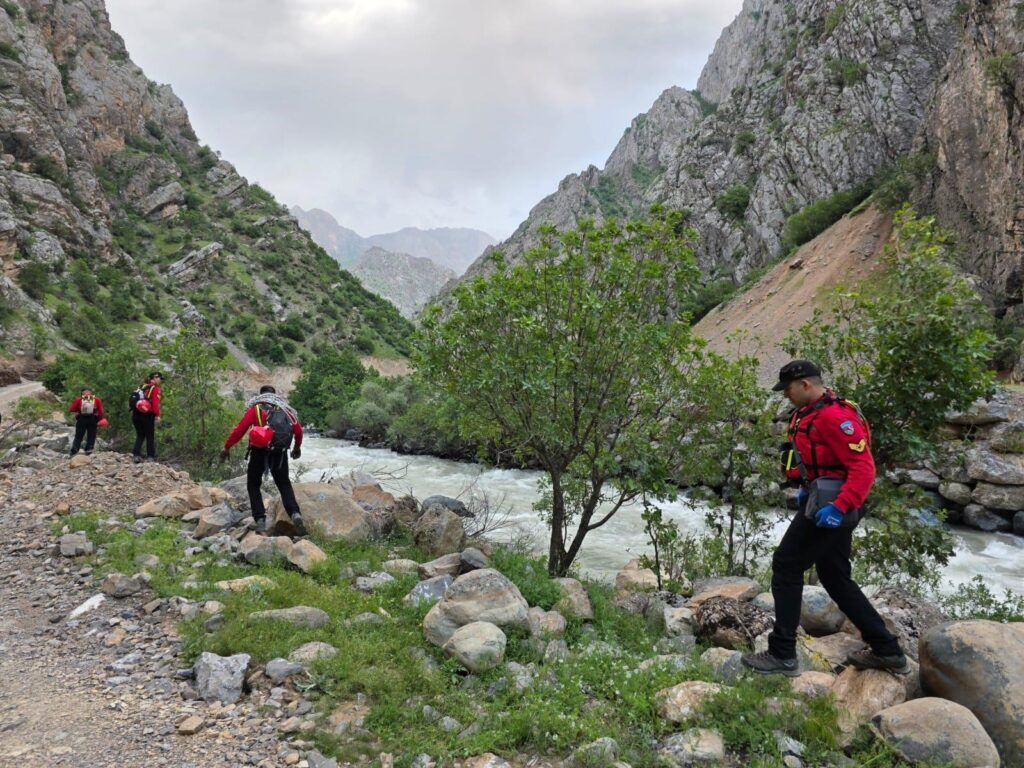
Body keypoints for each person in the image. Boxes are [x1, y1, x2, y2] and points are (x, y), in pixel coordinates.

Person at [741, 360, 909, 677]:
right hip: (822, 501)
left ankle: (782, 654)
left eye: (788, 389)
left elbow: (864, 468)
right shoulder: (808, 413)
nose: (786, 395)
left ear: (805, 384)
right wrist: (807, 489)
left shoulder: (835, 417)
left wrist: (840, 507)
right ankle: (887, 649)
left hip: (832, 509)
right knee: (835, 577)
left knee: (786, 565)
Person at [221, 385, 304, 535]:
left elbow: (240, 429)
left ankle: (260, 519)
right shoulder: (285, 409)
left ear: (260, 395)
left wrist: (227, 447)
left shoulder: (256, 409)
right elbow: (298, 430)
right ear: (274, 395)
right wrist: (297, 448)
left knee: (253, 484)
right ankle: (295, 513)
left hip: (259, 452)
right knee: (284, 484)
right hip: (279, 453)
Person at [131, 372, 162, 463]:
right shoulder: (155, 389)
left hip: (136, 414)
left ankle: (136, 455)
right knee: (150, 436)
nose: (160, 380)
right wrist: (157, 415)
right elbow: (155, 404)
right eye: (160, 378)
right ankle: (150, 456)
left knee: (140, 435)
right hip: (147, 416)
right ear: (155, 378)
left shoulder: (141, 387)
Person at [69, 387, 104, 456]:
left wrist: (78, 411)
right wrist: (99, 419)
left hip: (81, 419)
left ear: (82, 393)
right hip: (93, 419)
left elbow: (71, 409)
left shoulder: (79, 399)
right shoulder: (97, 400)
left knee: (78, 436)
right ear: (91, 393)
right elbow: (101, 411)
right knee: (91, 436)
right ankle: (89, 451)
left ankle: (74, 451)